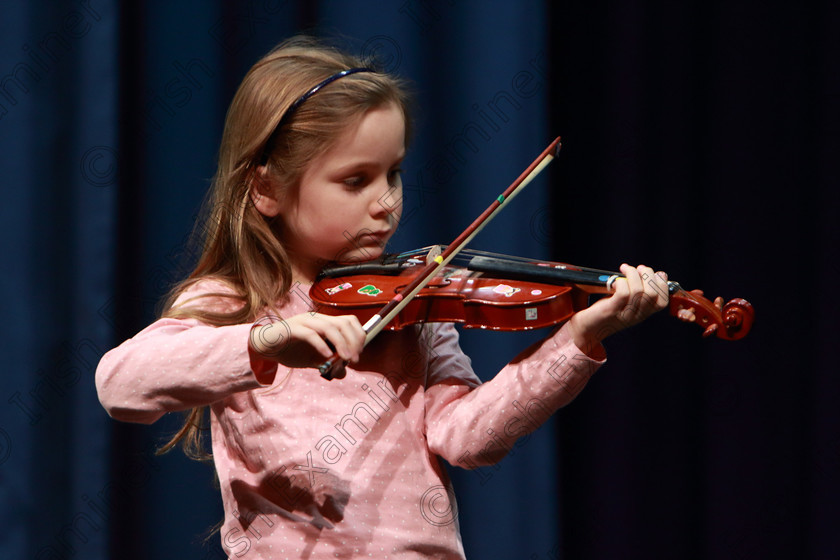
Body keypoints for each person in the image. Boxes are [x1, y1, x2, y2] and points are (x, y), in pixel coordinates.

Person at [95, 36, 673, 559]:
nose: (385, 203)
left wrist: (577, 339)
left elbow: (465, 438)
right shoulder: (234, 304)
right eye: (356, 180)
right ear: (267, 188)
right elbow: (120, 384)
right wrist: (269, 340)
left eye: (392, 174)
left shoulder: (413, 306)